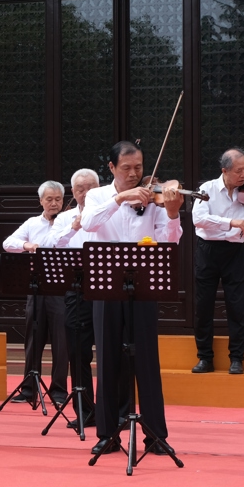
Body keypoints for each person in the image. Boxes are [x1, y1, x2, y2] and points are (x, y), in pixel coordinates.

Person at [79, 141, 183, 456]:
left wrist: (173, 214)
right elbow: (88, 223)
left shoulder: (155, 198)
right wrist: (120, 198)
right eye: (126, 168)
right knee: (107, 359)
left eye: (138, 167)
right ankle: (107, 434)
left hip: (144, 286)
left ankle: (156, 434)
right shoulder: (98, 196)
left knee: (147, 360)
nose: (134, 173)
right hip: (106, 286)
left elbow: (169, 242)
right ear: (111, 168)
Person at [190, 148, 244, 375]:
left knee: (237, 305)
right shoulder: (207, 189)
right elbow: (199, 219)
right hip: (207, 250)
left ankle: (236, 358)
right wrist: (231, 222)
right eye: (238, 171)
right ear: (224, 171)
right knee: (203, 306)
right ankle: (205, 357)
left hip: (236, 251)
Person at [45, 168, 107, 429]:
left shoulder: (109, 211)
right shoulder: (65, 218)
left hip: (106, 288)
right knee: (78, 350)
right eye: (80, 189)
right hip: (76, 289)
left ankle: (109, 410)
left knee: (109, 350)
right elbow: (50, 246)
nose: (86, 192)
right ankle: (84, 410)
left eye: (91, 187)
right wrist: (73, 228)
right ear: (73, 192)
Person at [2, 180, 69, 407]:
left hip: (61, 288)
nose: (54, 203)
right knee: (33, 339)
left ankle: (59, 390)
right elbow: (7, 243)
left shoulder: (68, 221)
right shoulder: (32, 223)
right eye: (49, 199)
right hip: (36, 287)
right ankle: (29, 388)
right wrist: (27, 246)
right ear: (41, 201)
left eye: (58, 199)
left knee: (61, 341)